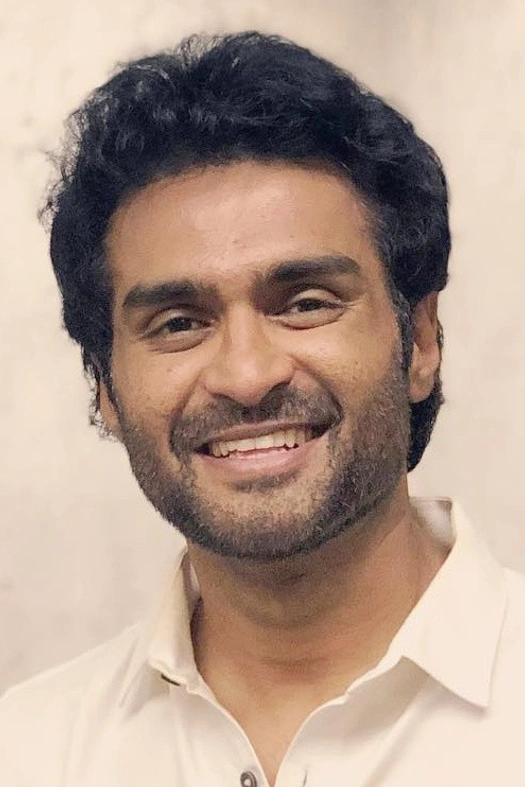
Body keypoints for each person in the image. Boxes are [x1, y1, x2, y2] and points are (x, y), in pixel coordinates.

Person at [1, 30, 524, 787]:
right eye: (178, 323)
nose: (247, 376)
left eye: (305, 303)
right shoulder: (27, 752)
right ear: (105, 386)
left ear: (418, 339)